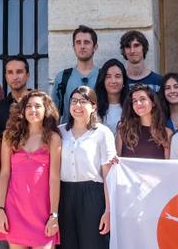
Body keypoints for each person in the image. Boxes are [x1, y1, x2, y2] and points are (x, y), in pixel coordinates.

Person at [0, 91, 62, 249]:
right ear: (22, 110)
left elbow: (54, 178)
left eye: (38, 106)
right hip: (15, 208)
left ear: (46, 110)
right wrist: (0, 209)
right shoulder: (9, 136)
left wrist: (54, 214)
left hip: (43, 211)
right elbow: (4, 174)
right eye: (29, 106)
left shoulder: (53, 138)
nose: (33, 110)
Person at [59, 87, 114, 249]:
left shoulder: (102, 133)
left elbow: (108, 175)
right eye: (74, 101)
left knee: (93, 243)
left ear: (94, 106)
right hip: (65, 194)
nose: (78, 105)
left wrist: (108, 210)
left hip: (93, 195)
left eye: (83, 101)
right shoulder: (60, 132)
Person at [51, 26, 100, 117]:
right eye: (78, 42)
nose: (82, 46)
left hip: (97, 129)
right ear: (74, 47)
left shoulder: (104, 76)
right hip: (68, 130)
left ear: (95, 47)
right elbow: (53, 113)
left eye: (87, 42)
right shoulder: (62, 77)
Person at [116, 85, 170, 159]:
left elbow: (169, 165)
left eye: (142, 99)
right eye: (134, 101)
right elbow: (117, 163)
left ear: (153, 103)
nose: (138, 103)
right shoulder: (123, 131)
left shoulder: (166, 133)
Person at [0, 57, 31, 133]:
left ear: (27, 75)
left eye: (19, 72)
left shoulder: (40, 104)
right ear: (6, 77)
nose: (15, 77)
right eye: (10, 72)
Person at [92, 60, 126, 133]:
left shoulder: (132, 106)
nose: (113, 81)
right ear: (103, 80)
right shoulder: (93, 108)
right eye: (108, 76)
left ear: (124, 80)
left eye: (117, 76)